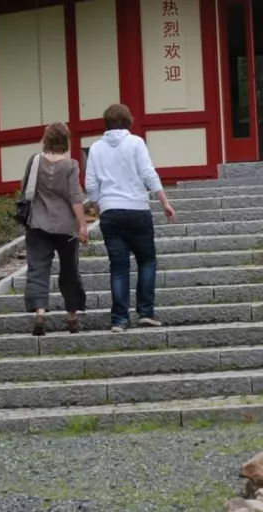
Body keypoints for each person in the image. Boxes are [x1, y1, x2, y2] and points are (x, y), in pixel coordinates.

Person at [84, 103, 176, 332]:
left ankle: (119, 319)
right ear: (128, 121)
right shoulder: (136, 143)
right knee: (147, 260)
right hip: (137, 209)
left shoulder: (95, 148)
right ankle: (145, 312)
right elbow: (148, 173)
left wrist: (98, 205)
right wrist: (164, 202)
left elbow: (91, 183)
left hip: (110, 212)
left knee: (119, 267)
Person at [21, 122, 89, 337]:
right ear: (66, 140)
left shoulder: (34, 161)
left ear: (46, 139)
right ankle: (71, 318)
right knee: (69, 270)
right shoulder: (71, 165)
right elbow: (75, 197)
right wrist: (83, 225)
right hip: (65, 226)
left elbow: (25, 189)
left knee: (38, 269)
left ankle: (40, 313)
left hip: (37, 225)